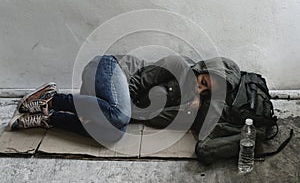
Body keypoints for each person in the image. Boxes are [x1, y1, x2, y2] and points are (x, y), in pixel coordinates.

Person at [7, 54, 240, 143]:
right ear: (201, 70)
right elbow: (135, 83)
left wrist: (192, 108)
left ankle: (50, 118)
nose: (201, 91)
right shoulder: (177, 65)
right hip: (109, 69)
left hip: (109, 104)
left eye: (207, 92)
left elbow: (153, 119)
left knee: (113, 133)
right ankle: (52, 98)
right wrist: (109, 113)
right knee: (120, 116)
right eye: (203, 83)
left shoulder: (192, 103)